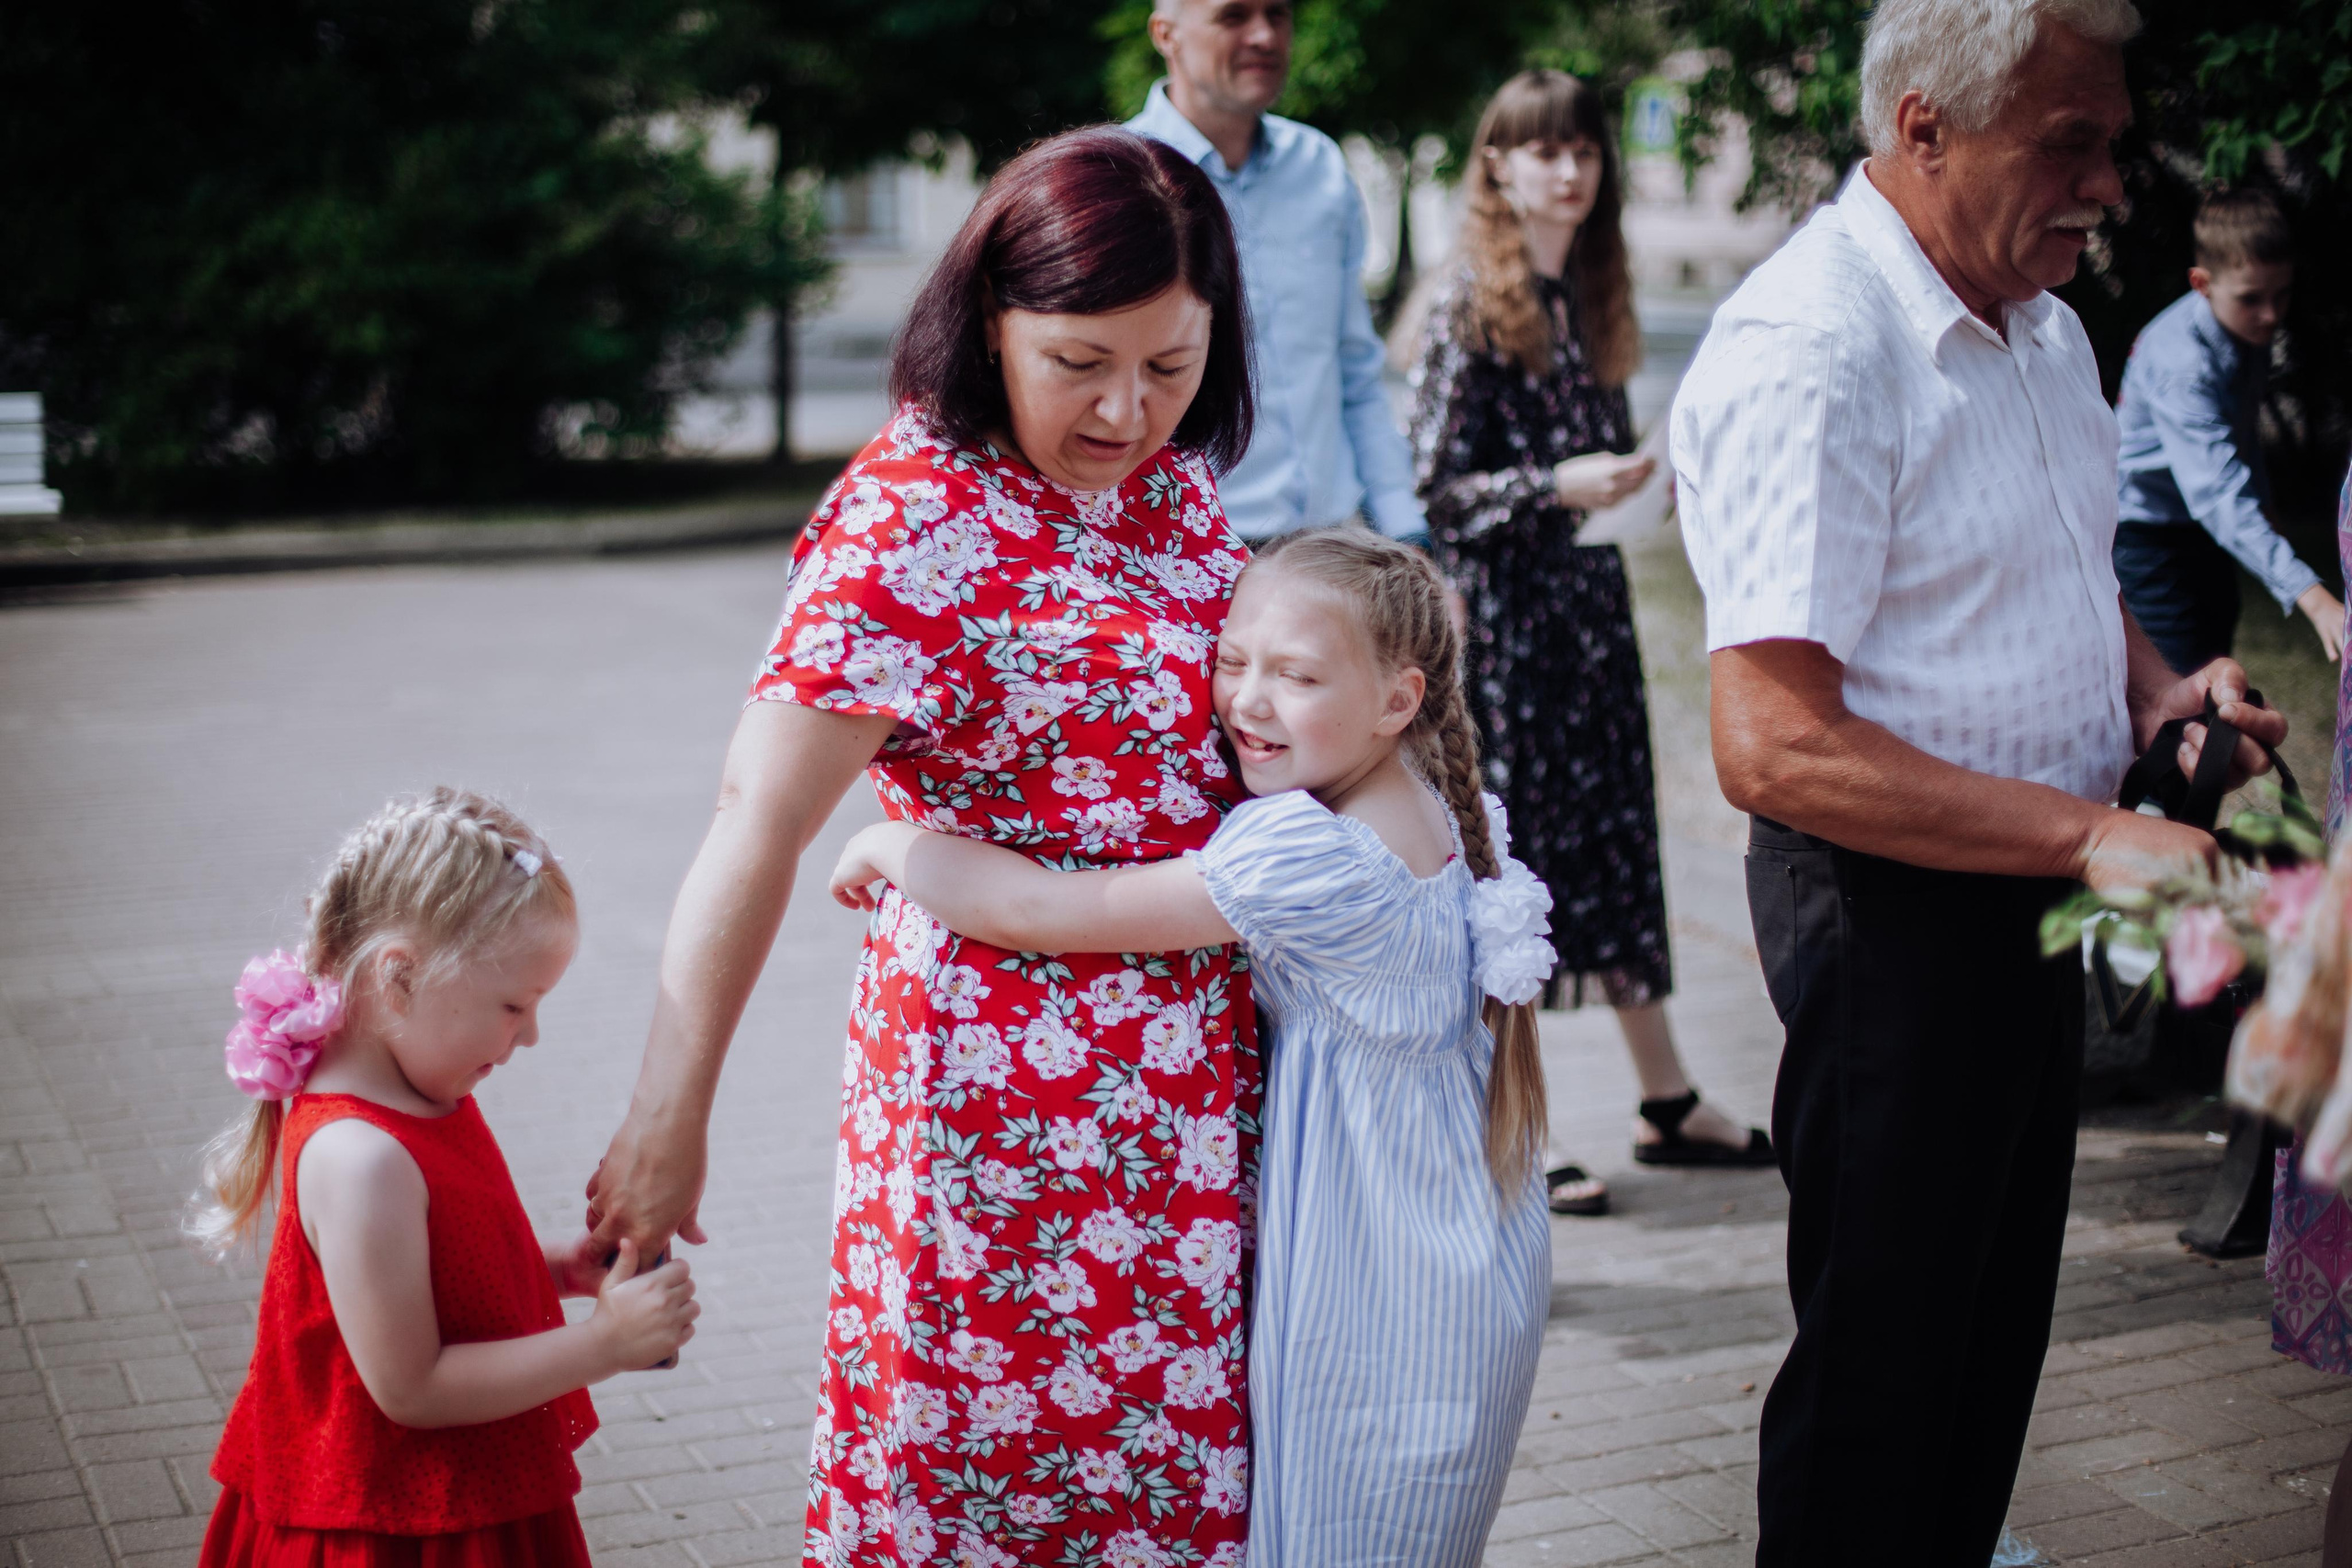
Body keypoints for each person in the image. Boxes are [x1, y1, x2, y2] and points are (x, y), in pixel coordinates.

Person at [581, 127, 1260, 1564]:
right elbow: (757, 818)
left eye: (1171, 364)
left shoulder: (1170, 484)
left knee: (1167, 1488)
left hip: (1194, 1098)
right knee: (981, 1478)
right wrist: (669, 1114)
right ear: (991, 318)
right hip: (997, 1110)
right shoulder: (913, 512)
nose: (1126, 408)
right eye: (1079, 362)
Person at [1670, 0, 2290, 1561]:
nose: (2110, 186)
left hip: (2023, 888)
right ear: (1925, 128)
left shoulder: (2043, 321)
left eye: (2115, 144)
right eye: (2070, 144)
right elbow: (1772, 743)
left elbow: (2063, 564)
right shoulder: (1815, 345)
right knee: (1882, 1386)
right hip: (1892, 912)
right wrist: (2093, 834)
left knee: (1983, 1350)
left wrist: (2161, 691)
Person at [827, 526, 1552, 1568]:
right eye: (1231, 661)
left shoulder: (1312, 852)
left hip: (1380, 1279)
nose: (1247, 701)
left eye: (1297, 675)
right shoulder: (1424, 803)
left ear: (1398, 700)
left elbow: (1046, 912)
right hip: (1458, 1238)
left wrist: (889, 842)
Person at [1408, 69, 1771, 1218]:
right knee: (1513, 868)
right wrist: (1554, 486)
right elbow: (1435, 491)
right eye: (1543, 150)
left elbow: (1597, 468)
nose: (1568, 170)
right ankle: (1520, 1118)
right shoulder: (1466, 304)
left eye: (1583, 150)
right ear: (1498, 166)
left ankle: (1665, 1098)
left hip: (1589, 618)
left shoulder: (1591, 296)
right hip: (1507, 633)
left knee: (1615, 849)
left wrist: (1637, 488)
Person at [192, 789, 698, 1568]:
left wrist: (559, 1269)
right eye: (514, 1005)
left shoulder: (423, 1097)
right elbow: (413, 1386)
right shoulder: (359, 1158)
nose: (531, 1035)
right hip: (396, 1530)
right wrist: (603, 1344)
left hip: (458, 1496)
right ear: (399, 976)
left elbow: (435, 1276)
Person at [1127, 0, 1428, 546]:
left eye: (1277, 14)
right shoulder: (1117, 177)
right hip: (1182, 549)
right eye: (1233, 16)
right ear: (1166, 34)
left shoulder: (1321, 167)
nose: (1265, 36)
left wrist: (1404, 526)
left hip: (1328, 542)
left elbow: (1353, 365)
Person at [2113, 186, 2343, 671]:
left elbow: (2239, 434)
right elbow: (2217, 495)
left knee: (2215, 658)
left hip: (2202, 527)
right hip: (2147, 536)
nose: (2271, 315)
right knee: (2175, 682)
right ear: (2201, 283)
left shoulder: (2244, 330)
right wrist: (2312, 595)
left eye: (2281, 295)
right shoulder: (2182, 366)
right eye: (2252, 299)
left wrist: (2265, 507)